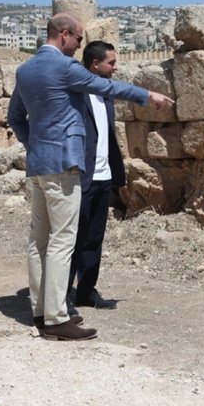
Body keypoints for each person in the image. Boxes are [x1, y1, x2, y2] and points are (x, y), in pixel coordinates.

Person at [7, 13, 173, 341]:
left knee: (39, 240)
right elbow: (105, 85)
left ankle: (40, 311)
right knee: (62, 240)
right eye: (79, 39)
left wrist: (35, 144)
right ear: (64, 35)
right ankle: (56, 319)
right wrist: (147, 95)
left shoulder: (25, 70)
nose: (79, 46)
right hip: (65, 164)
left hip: (39, 164)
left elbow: (15, 116)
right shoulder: (65, 67)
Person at [68, 41, 124, 310]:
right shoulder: (76, 93)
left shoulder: (106, 94)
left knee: (94, 237)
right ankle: (62, 294)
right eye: (111, 63)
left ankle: (87, 290)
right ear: (95, 65)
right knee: (72, 239)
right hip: (81, 177)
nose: (115, 67)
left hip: (104, 176)